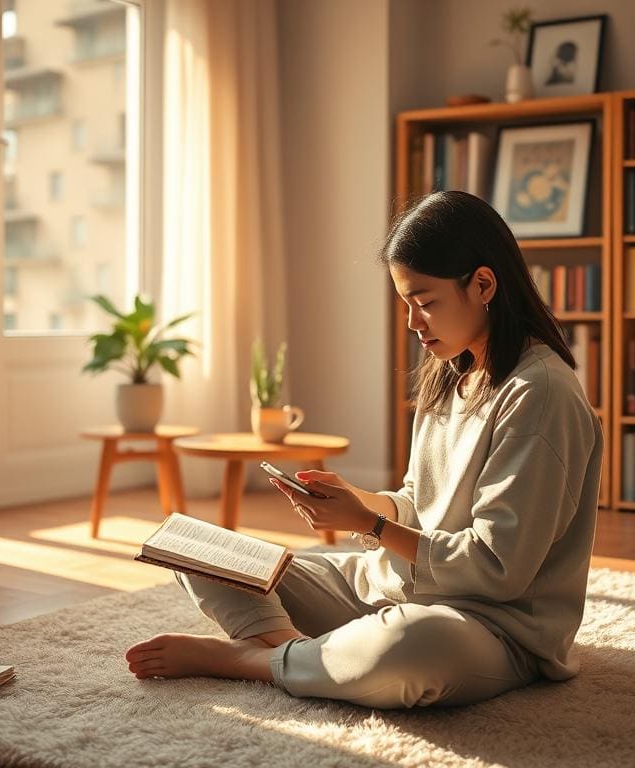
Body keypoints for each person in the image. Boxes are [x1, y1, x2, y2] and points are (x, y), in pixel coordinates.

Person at [125, 190, 604, 709]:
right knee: (196, 553)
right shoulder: (453, 369)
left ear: (483, 284)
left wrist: (371, 526)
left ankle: (253, 660)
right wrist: (358, 503)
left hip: (489, 626)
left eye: (424, 303)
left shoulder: (541, 395)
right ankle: (303, 656)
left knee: (408, 648)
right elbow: (419, 502)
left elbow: (498, 567)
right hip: (388, 589)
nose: (412, 324)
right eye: (406, 304)